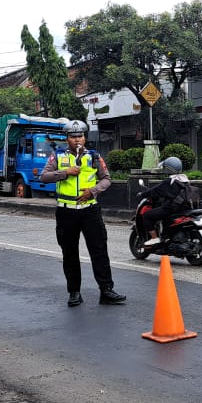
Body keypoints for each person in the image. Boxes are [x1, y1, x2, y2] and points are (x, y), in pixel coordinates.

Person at [37, 120, 126, 307]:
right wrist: (65, 172)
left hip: (90, 211)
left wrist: (92, 191)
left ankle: (106, 290)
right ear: (67, 138)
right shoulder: (57, 156)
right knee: (70, 253)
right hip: (66, 212)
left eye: (80, 136)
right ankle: (74, 292)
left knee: (99, 251)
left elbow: (107, 179)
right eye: (73, 136)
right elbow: (43, 177)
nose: (77, 139)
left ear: (85, 138)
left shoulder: (94, 156)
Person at [135, 156, 194, 247]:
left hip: (171, 209)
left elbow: (155, 190)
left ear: (168, 169)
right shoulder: (184, 180)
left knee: (147, 216)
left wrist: (142, 194)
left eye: (164, 167)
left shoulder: (169, 182)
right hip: (182, 209)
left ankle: (154, 238)